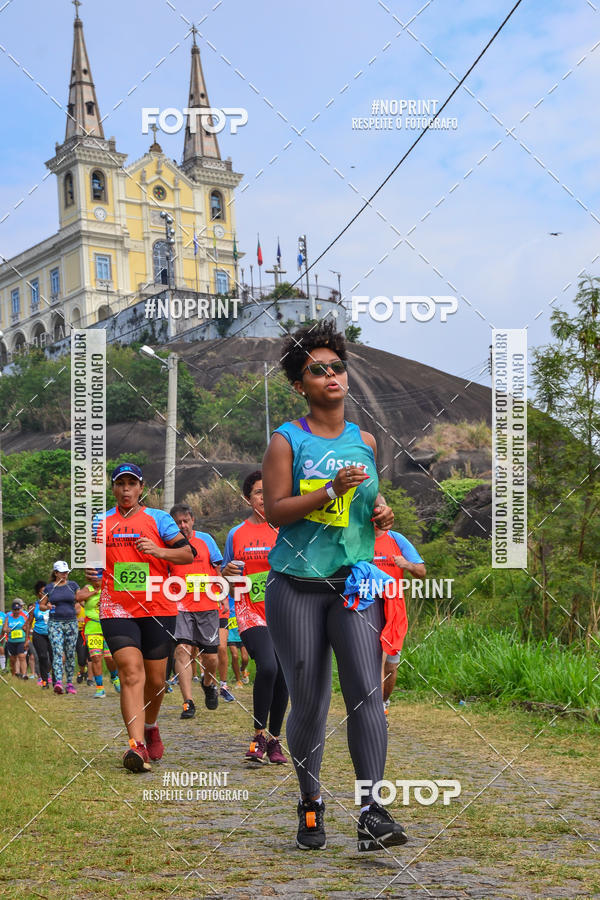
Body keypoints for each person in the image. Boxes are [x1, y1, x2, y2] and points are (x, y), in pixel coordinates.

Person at [262, 320, 408, 852]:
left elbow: (367, 504)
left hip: (354, 584)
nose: (331, 375)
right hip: (296, 585)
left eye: (337, 367)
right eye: (317, 370)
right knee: (310, 701)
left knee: (367, 694)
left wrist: (381, 512)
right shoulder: (287, 440)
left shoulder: (364, 440)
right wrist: (326, 490)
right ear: (300, 385)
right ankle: (310, 803)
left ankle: (371, 810)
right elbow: (276, 512)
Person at [91, 463, 194, 773]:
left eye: (131, 483)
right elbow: (95, 565)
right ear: (113, 489)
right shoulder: (101, 521)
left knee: (156, 680)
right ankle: (135, 746)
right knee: (130, 673)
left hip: (158, 607)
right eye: (120, 483)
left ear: (140, 488)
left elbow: (187, 554)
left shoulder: (158, 519)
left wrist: (158, 552)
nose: (125, 489)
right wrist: (92, 572)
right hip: (116, 607)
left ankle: (150, 725)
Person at [222, 471, 288, 764]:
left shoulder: (286, 528)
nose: (264, 497)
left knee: (284, 675)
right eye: (259, 492)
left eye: (269, 491)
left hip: (285, 611)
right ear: (248, 498)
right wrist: (225, 575)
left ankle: (274, 740)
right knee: (269, 667)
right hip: (250, 612)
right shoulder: (236, 534)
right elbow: (224, 575)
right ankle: (258, 734)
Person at [168, 503, 223, 719]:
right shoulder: (169, 544)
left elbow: (217, 568)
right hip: (180, 605)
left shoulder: (206, 540)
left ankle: (208, 683)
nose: (182, 525)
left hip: (207, 605)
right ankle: (188, 702)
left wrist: (222, 595)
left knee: (211, 657)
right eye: (178, 522)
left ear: (192, 521)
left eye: (185, 521)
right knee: (182, 650)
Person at [372, 525, 426, 722]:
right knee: (376, 661)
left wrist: (406, 564)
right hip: (368, 607)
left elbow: (421, 571)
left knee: (391, 666)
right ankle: (375, 713)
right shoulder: (359, 538)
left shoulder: (397, 539)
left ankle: (384, 703)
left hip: (394, 609)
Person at [76, 572, 120, 699]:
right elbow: (78, 597)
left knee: (110, 658)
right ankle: (100, 688)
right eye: (93, 579)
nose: (96, 582)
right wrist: (94, 592)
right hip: (92, 627)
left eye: (98, 579)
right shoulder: (88, 588)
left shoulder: (109, 587)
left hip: (109, 626)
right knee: (96, 657)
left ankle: (114, 677)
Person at [39, 562, 80, 694]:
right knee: (57, 652)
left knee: (69, 653)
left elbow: (80, 599)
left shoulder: (73, 585)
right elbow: (41, 606)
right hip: (55, 623)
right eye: (62, 572)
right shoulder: (49, 588)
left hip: (71, 623)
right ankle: (58, 682)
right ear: (55, 573)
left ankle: (69, 683)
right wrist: (48, 607)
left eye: (66, 572)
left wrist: (80, 605)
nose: (64, 574)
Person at [26, 582, 52, 688]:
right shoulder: (34, 607)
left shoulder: (53, 604)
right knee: (42, 656)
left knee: (53, 657)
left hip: (52, 633)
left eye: (46, 591)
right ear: (38, 594)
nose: (45, 594)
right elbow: (29, 622)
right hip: (38, 633)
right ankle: (44, 680)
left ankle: (52, 677)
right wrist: (26, 638)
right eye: (42, 592)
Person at [226, 596, 250, 688]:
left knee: (245, 658)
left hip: (241, 630)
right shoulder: (226, 597)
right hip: (231, 632)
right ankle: (238, 681)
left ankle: (242, 669)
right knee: (234, 655)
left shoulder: (242, 596)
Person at [3, 600, 29, 678]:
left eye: (18, 609)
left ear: (20, 609)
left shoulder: (23, 618)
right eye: (15, 609)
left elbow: (27, 629)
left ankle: (24, 675)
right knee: (12, 659)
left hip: (21, 640)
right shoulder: (8, 618)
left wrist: (26, 640)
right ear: (12, 610)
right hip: (11, 641)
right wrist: (7, 630)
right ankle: (14, 675)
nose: (16, 611)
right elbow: (4, 629)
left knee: (22, 657)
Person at [75, 595, 89, 684]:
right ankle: (82, 671)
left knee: (91, 656)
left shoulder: (90, 607)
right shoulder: (75, 607)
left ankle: (90, 676)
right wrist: (77, 620)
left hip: (90, 632)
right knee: (81, 658)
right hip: (79, 633)